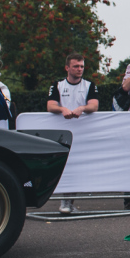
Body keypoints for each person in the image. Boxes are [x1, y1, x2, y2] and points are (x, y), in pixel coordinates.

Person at [47, 53, 100, 214]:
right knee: (64, 165)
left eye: (82, 66)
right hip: (62, 134)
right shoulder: (57, 85)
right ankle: (64, 201)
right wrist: (63, 109)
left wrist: (82, 108)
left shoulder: (89, 85)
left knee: (79, 165)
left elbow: (94, 105)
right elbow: (50, 106)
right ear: (67, 68)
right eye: (76, 66)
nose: (79, 69)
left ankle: (70, 201)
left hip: (83, 133)